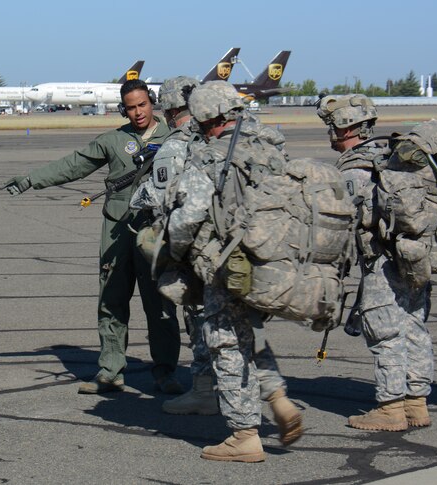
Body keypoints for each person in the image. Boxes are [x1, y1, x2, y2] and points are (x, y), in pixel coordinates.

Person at [2, 79, 183, 395]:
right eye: (130, 107)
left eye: (142, 105)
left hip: (157, 232)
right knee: (111, 301)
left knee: (161, 305)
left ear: (152, 103)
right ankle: (111, 371)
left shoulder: (176, 140)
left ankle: (165, 373)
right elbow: (75, 164)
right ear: (122, 110)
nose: (138, 112)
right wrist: (32, 180)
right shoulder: (113, 141)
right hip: (117, 231)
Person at [166, 82, 302, 462]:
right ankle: (279, 398)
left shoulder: (211, 155)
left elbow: (188, 217)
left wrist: (174, 253)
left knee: (226, 341)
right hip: (270, 261)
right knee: (251, 333)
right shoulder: (271, 149)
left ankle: (244, 435)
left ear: (207, 119)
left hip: (227, 265)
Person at [317, 94, 433, 431]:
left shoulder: (355, 168)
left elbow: (347, 219)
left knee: (384, 331)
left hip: (382, 260)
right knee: (414, 325)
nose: (329, 134)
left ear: (346, 127)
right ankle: (416, 403)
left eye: (332, 127)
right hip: (414, 256)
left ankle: (390, 408)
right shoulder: (392, 157)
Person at [129, 76, 220, 416]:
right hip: (231, 246)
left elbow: (156, 195)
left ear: (168, 108)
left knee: (198, 319)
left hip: (196, 248)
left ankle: (204, 391)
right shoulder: (222, 137)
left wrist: (137, 192)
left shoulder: (178, 143)